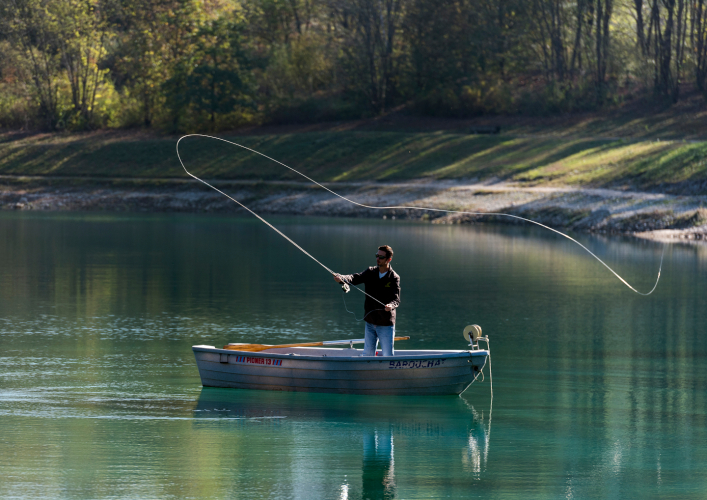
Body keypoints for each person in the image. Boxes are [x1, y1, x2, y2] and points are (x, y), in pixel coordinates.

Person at [334, 245, 401, 356]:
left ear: (389, 259)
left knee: (388, 355)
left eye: (381, 257)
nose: (378, 259)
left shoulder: (394, 277)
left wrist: (391, 305)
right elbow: (355, 278)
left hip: (385, 324)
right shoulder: (370, 272)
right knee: (368, 354)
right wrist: (341, 278)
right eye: (377, 256)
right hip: (370, 321)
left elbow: (396, 299)